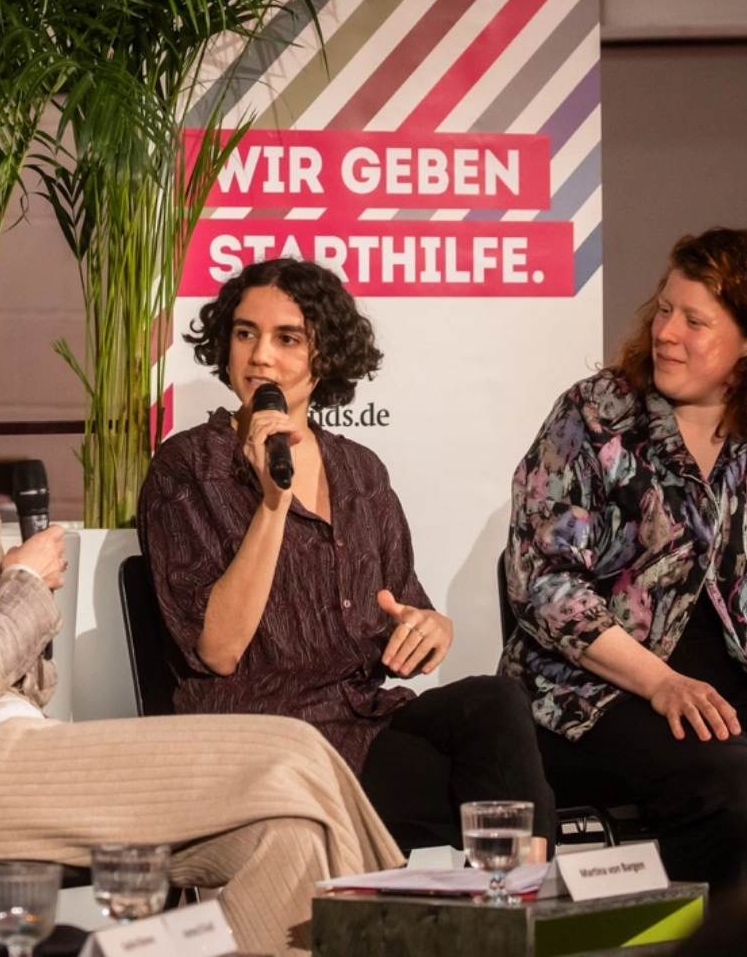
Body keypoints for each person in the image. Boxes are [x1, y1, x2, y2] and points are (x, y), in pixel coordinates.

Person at [0, 275, 403, 957]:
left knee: (289, 834)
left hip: (15, 739)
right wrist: (21, 589)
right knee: (295, 751)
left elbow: (24, 678)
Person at [136, 257, 556, 856]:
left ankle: (524, 900)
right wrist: (273, 505)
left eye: (287, 339)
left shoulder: (360, 471)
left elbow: (404, 612)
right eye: (245, 333)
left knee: (495, 703)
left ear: (325, 355)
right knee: (478, 802)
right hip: (269, 740)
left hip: (366, 722)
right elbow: (219, 650)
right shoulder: (190, 467)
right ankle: (514, 895)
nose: (260, 357)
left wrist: (430, 628)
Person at [499, 228, 747, 891]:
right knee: (727, 783)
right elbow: (544, 581)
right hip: (597, 689)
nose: (666, 332)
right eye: (665, 310)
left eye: (694, 320)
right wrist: (661, 682)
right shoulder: (594, 416)